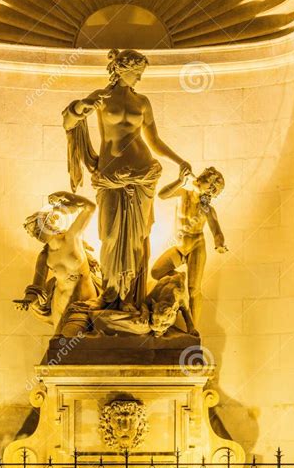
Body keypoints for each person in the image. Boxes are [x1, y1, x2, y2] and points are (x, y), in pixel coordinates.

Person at [62, 48, 191, 313]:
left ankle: (131, 298)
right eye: (137, 72)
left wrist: (179, 161)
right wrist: (81, 107)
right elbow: (68, 121)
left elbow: (153, 140)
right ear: (122, 69)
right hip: (110, 176)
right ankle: (109, 294)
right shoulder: (100, 98)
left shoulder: (142, 102)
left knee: (136, 239)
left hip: (143, 175)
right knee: (109, 235)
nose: (140, 78)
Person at [13, 191, 100, 334]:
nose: (36, 235)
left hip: (83, 300)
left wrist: (67, 196)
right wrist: (28, 300)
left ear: (48, 224)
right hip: (59, 304)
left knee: (70, 340)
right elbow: (37, 286)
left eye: (36, 229)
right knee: (57, 347)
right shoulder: (44, 256)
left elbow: (89, 208)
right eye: (34, 234)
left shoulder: (72, 237)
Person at [151, 167, 228, 325]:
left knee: (193, 289)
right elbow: (162, 194)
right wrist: (180, 180)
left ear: (211, 189)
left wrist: (219, 243)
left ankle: (193, 328)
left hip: (196, 246)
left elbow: (216, 229)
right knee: (156, 272)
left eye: (207, 180)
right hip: (179, 247)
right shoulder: (183, 193)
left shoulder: (206, 208)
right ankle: (179, 279)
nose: (201, 178)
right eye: (204, 176)